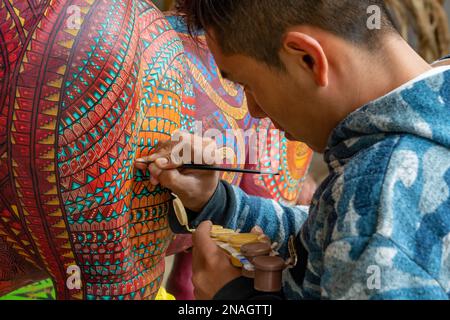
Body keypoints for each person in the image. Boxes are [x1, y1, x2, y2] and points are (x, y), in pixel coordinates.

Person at [136, 0, 450, 300]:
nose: (254, 110)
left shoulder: (379, 203)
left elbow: (361, 232)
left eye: (247, 83)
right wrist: (218, 203)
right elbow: (332, 238)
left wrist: (236, 299)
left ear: (307, 59)